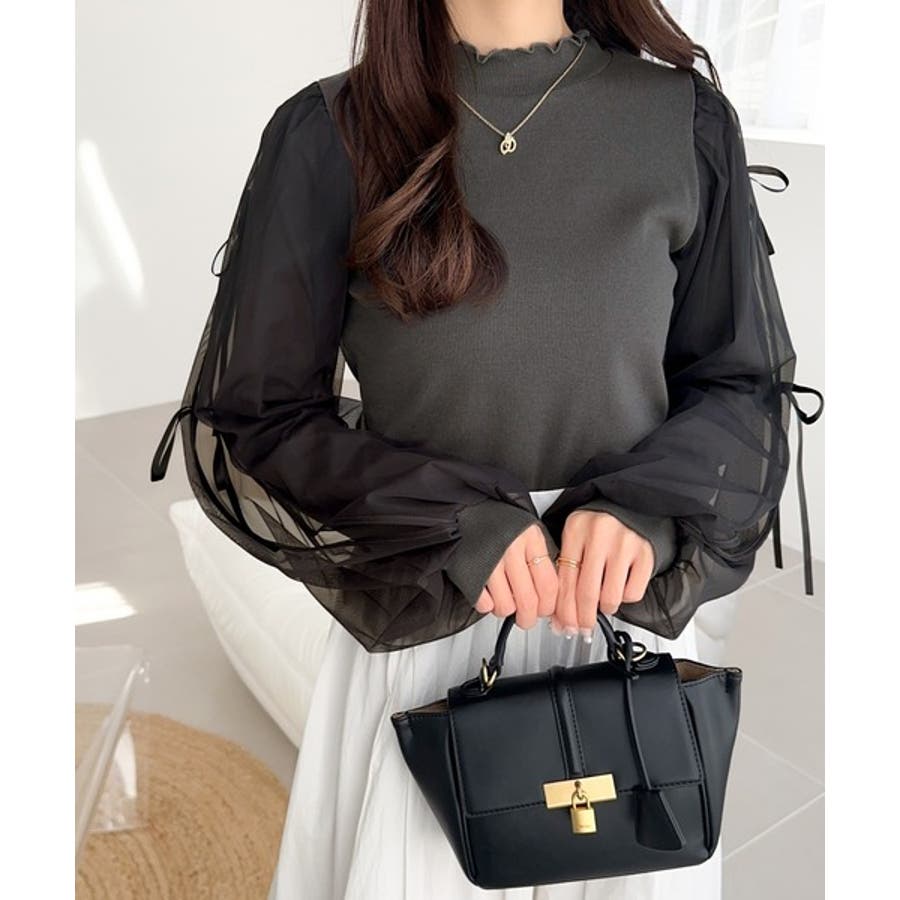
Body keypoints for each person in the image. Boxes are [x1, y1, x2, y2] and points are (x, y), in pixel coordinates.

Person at [150, 0, 821, 896]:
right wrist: (459, 525)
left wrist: (646, 512)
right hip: (429, 604)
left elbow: (742, 382)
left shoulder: (683, 119)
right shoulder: (328, 133)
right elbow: (259, 413)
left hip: (618, 613)